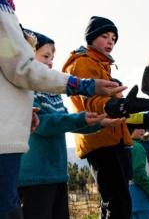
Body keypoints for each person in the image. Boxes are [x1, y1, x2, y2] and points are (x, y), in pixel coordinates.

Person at [0, 0, 136, 219]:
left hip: (54, 169)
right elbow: (21, 69)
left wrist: (93, 122)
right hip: (29, 170)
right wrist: (85, 87)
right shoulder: (3, 16)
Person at [17, 30, 126, 219]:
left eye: (52, 57)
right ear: (28, 56)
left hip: (58, 174)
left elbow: (67, 123)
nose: (50, 62)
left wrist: (100, 123)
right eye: (45, 56)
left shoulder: (52, 93)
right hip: (34, 177)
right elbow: (43, 124)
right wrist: (81, 118)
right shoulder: (26, 90)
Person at [62, 16, 149, 219]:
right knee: (118, 206)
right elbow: (90, 100)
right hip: (99, 140)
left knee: (116, 204)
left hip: (114, 139)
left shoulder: (102, 66)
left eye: (114, 38)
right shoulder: (82, 63)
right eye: (105, 36)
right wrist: (116, 105)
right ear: (90, 38)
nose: (111, 42)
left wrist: (124, 107)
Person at [129, 128, 149, 219]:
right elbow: (138, 173)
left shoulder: (122, 146)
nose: (143, 131)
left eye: (143, 128)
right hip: (140, 195)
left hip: (128, 196)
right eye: (138, 128)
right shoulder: (136, 146)